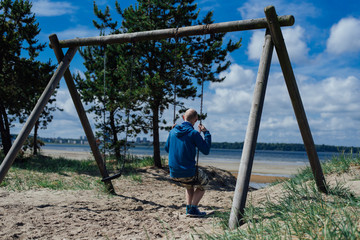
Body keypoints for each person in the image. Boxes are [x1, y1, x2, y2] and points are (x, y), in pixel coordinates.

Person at [165, 108, 211, 217]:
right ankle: (193, 209)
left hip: (173, 172)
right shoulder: (194, 133)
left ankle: (188, 208)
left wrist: (171, 133)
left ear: (183, 117)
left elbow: (167, 149)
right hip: (188, 172)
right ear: (196, 120)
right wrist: (206, 133)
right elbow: (206, 150)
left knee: (189, 185)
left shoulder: (173, 131)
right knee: (205, 183)